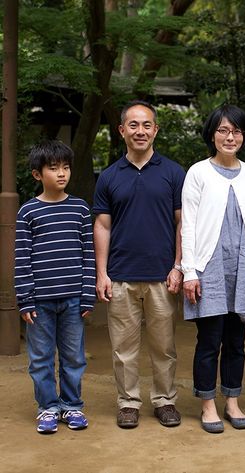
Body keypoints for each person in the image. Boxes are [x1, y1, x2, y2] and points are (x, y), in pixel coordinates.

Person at [93, 100, 185, 429]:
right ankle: (128, 402)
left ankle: (165, 400)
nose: (140, 131)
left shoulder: (174, 173)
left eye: (147, 125)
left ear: (156, 130)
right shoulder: (108, 177)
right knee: (123, 348)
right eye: (133, 125)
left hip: (162, 275)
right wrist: (101, 273)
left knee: (164, 347)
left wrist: (178, 265)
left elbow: (181, 223)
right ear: (122, 131)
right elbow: (102, 226)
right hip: (120, 276)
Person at [181, 104, 245, 434]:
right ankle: (207, 404)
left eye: (237, 131)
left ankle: (232, 400)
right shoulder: (198, 172)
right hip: (208, 267)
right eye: (223, 130)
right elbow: (188, 224)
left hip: (242, 268)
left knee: (237, 342)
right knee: (209, 340)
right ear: (212, 134)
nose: (230, 137)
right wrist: (189, 271)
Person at [15, 140, 95, 434]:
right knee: (41, 359)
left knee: (74, 357)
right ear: (38, 174)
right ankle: (48, 407)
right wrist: (25, 300)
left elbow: (89, 254)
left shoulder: (80, 209)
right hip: (40, 303)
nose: (62, 173)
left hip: (74, 299)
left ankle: (72, 406)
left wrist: (88, 294)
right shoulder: (28, 212)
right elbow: (22, 258)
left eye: (65, 167)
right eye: (53, 168)